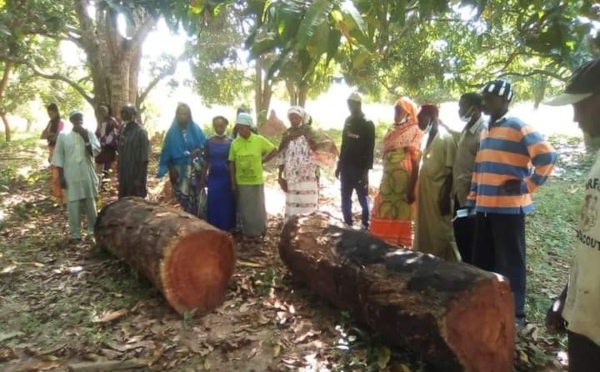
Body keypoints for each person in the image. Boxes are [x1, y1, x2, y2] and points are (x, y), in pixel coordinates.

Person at [466, 80, 557, 325]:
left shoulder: (518, 126)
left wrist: (526, 185)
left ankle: (515, 314)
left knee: (511, 261)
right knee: (483, 259)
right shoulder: (486, 129)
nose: (484, 102)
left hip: (508, 209)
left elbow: (548, 156)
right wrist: (472, 199)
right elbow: (479, 168)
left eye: (490, 98)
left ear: (505, 101)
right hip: (484, 208)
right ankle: (487, 305)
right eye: (483, 97)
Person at [545, 59, 600, 371]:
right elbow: (588, 237)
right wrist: (567, 296)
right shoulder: (598, 159)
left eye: (580, 105)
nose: (576, 117)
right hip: (585, 317)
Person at [370, 97, 423, 247]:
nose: (396, 112)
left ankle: (397, 246)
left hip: (403, 183)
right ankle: (381, 244)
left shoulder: (415, 130)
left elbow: (415, 160)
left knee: (400, 212)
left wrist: (411, 188)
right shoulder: (391, 129)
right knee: (382, 208)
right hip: (388, 181)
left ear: (408, 113)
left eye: (399, 110)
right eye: (395, 109)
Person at [414, 104, 460, 260]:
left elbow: (452, 171)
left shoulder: (446, 139)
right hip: (424, 191)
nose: (418, 121)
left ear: (432, 118)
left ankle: (449, 264)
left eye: (420, 118)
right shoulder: (425, 138)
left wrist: (445, 196)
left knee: (441, 232)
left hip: (438, 194)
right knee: (424, 230)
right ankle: (425, 260)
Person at [51, 111, 101, 242]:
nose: (79, 121)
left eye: (81, 118)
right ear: (71, 120)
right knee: (73, 205)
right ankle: (75, 234)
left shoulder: (89, 133)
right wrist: (61, 177)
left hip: (86, 173)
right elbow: (59, 157)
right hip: (70, 174)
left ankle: (93, 231)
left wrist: (85, 138)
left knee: (90, 204)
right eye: (76, 119)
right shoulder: (63, 136)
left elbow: (95, 152)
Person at [228, 112, 278, 237]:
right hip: (242, 181)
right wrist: (233, 182)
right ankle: (248, 232)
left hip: (256, 180)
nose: (240, 130)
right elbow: (231, 163)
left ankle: (260, 231)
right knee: (245, 208)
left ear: (249, 127)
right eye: (239, 127)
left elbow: (273, 150)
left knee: (257, 208)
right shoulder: (235, 143)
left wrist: (263, 161)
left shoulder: (258, 140)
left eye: (243, 127)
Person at [451, 93, 485, 264]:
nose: (460, 110)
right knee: (461, 235)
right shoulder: (467, 128)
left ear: (475, 108)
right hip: (460, 192)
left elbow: (482, 167)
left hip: (472, 198)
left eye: (462, 106)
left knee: (471, 239)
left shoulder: (482, 131)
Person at [335, 92, 375, 230]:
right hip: (346, 165)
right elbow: (344, 144)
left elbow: (370, 149)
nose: (349, 107)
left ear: (358, 104)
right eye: (348, 104)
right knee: (345, 195)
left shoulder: (367, 123)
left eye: (352, 104)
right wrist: (339, 164)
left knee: (362, 196)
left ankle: (365, 223)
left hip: (359, 167)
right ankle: (348, 223)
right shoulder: (348, 121)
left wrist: (366, 172)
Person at [158, 103, 207, 217]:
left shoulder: (195, 129)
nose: (182, 116)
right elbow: (166, 151)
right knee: (182, 199)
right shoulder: (171, 132)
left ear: (189, 115)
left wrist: (198, 149)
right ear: (176, 115)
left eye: (185, 113)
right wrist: (170, 169)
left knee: (197, 198)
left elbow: (204, 142)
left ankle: (197, 220)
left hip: (194, 169)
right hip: (178, 170)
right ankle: (186, 220)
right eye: (180, 113)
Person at [277, 107, 320, 220]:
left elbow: (317, 152)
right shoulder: (286, 134)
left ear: (301, 118)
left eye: (296, 118)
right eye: (291, 118)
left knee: (308, 203)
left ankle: (308, 229)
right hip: (291, 175)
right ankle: (292, 228)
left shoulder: (309, 132)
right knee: (294, 204)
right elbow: (281, 156)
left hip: (307, 175)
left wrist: (317, 172)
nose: (294, 120)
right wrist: (280, 176)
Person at [204, 116, 236, 231]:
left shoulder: (231, 142)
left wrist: (233, 182)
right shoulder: (208, 142)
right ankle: (213, 227)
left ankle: (227, 228)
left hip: (226, 177)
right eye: (216, 126)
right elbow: (206, 160)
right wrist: (203, 177)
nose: (219, 128)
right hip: (213, 177)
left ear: (225, 126)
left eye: (221, 126)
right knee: (213, 201)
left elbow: (233, 162)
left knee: (226, 203)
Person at [118, 105, 149, 198]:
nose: (124, 115)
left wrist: (139, 179)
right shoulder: (123, 130)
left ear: (134, 114)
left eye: (126, 112)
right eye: (122, 112)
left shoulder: (141, 132)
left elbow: (144, 158)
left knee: (136, 204)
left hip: (136, 175)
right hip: (124, 175)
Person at [41, 103, 65, 205]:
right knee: (54, 174)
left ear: (56, 112)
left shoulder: (60, 123)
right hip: (51, 149)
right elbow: (42, 135)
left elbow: (57, 137)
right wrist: (50, 135)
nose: (50, 116)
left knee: (59, 173)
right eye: (48, 114)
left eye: (51, 114)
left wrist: (49, 135)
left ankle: (63, 198)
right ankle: (57, 197)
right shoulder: (50, 123)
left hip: (58, 150)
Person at [94, 104, 119, 190]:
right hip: (100, 150)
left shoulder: (112, 122)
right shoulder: (101, 122)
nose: (102, 113)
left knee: (107, 169)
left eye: (104, 111)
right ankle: (98, 188)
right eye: (100, 111)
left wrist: (105, 143)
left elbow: (114, 135)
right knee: (99, 169)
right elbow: (97, 134)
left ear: (108, 112)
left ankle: (105, 188)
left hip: (108, 149)